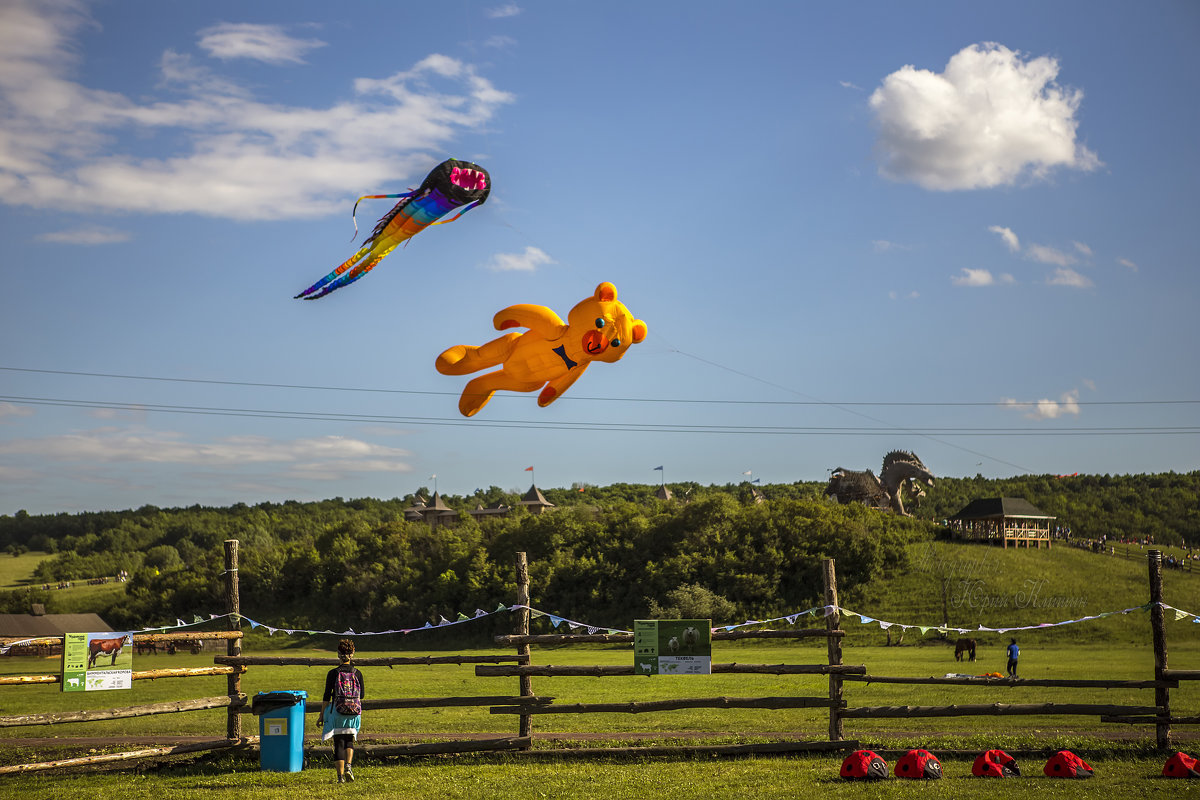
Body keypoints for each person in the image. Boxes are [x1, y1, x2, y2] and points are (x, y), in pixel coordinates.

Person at [318, 639, 365, 783]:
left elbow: (326, 696)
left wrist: (321, 715)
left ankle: (340, 777)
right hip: (353, 712)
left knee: (338, 743)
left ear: (338, 654)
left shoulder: (333, 673)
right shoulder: (358, 673)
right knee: (349, 741)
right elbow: (361, 695)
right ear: (352, 654)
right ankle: (349, 766)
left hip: (337, 712)